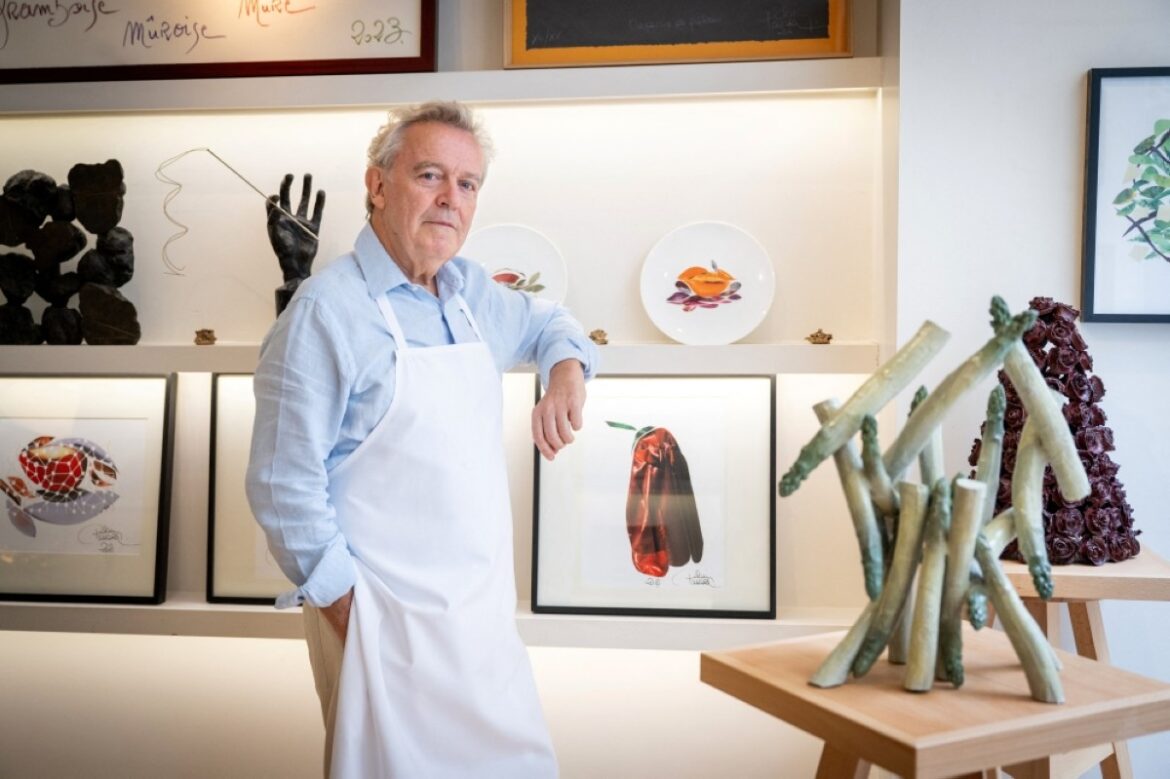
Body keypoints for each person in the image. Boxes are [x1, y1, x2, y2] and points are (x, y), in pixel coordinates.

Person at [245, 101, 597, 778]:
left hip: (481, 630)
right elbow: (282, 484)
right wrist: (353, 611)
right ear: (377, 185)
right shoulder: (325, 312)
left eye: (467, 184)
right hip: (382, 626)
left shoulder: (469, 295)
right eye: (430, 175)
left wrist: (565, 373)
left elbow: (553, 321)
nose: (450, 199)